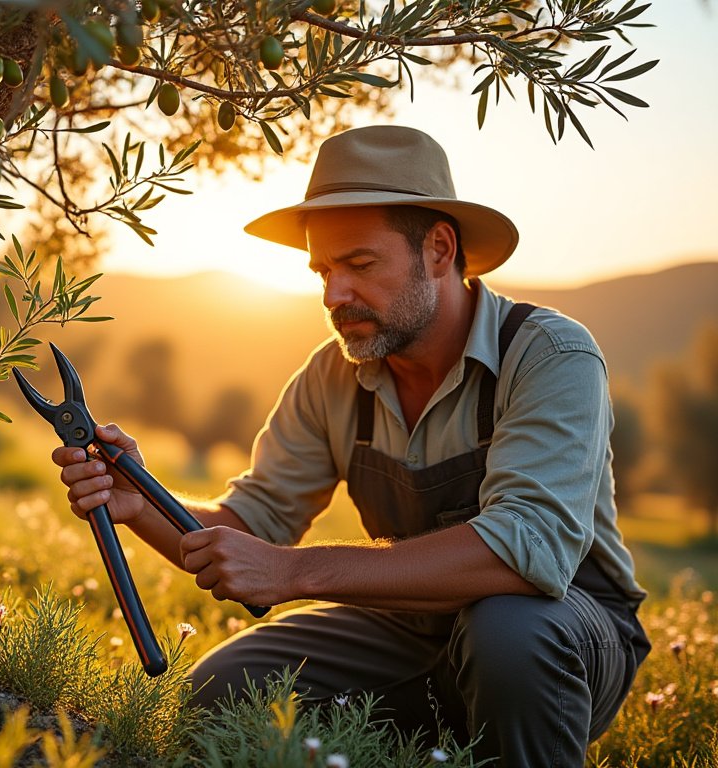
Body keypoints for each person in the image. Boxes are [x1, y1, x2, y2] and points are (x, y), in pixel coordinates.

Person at [52, 125, 650, 765]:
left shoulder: (549, 355)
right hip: (408, 628)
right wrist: (140, 501)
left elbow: (525, 555)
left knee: (508, 634)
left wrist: (294, 572)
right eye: (323, 270)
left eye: (360, 265)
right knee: (220, 691)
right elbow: (248, 528)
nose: (335, 295)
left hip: (565, 631)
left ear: (440, 250)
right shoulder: (330, 377)